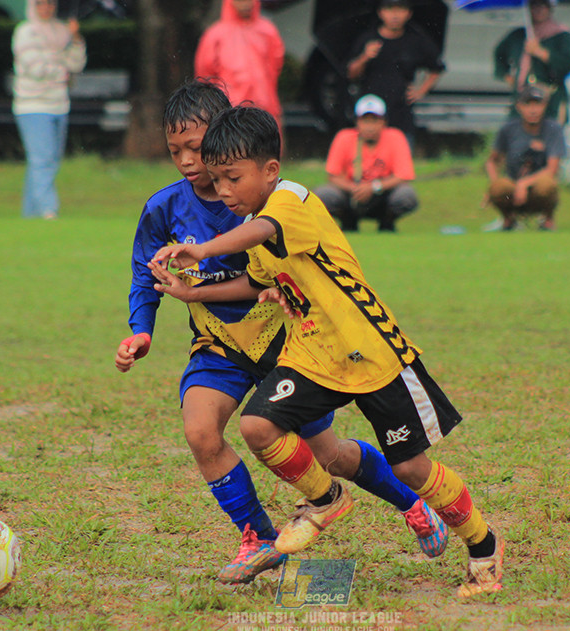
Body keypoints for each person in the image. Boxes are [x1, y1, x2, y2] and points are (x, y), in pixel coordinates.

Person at [150, 105, 504, 599]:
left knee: (411, 468)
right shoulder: (253, 221)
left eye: (233, 177)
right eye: (217, 179)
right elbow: (254, 280)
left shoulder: (290, 200)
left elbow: (263, 231)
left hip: (369, 349)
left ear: (270, 169)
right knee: (258, 426)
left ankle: (484, 546)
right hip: (312, 353)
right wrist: (194, 293)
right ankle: (326, 498)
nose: (223, 189)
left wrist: (204, 250)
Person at [12, 0, 87, 220]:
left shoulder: (62, 31)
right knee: (41, 159)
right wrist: (62, 67)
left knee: (50, 160)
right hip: (32, 104)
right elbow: (36, 68)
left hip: (59, 104)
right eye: (41, 3)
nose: (46, 7)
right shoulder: (25, 31)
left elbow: (77, 63)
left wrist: (75, 38)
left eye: (50, 3)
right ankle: (48, 209)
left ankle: (30, 213)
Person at [346, 0, 445, 148]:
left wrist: (421, 90)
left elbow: (437, 68)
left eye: (400, 9)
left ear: (409, 13)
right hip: (372, 110)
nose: (395, 15)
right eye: (390, 9)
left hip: (401, 110)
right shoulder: (368, 39)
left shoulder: (416, 40)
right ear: (380, 13)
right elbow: (351, 74)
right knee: (370, 156)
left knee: (401, 152)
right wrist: (365, 57)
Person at [313, 94, 418, 233]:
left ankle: (387, 223)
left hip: (382, 194)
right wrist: (355, 189)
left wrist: (374, 187)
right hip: (351, 194)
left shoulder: (395, 137)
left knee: (406, 195)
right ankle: (348, 221)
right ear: (357, 122)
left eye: (375, 121)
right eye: (365, 121)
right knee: (323, 194)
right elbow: (333, 176)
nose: (370, 127)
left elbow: (403, 176)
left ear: (384, 122)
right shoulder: (344, 137)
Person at [194, 0, 285, 133]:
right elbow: (205, 78)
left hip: (264, 110)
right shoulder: (215, 35)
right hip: (229, 115)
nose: (246, 3)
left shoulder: (268, 31)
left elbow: (275, 68)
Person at [484, 85, 564, 232]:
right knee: (499, 188)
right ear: (519, 107)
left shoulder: (553, 129)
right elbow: (492, 161)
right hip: (513, 187)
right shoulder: (508, 129)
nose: (533, 110)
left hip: (537, 188)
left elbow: (552, 168)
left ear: (544, 106)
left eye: (537, 105)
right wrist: (494, 183)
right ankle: (508, 219)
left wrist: (524, 184)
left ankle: (547, 219)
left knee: (547, 184)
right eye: (528, 105)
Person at [493, 0, 570, 125]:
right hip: (523, 97)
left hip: (550, 100)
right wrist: (507, 76)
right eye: (534, 6)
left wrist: (541, 52)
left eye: (543, 6)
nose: (538, 10)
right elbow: (499, 53)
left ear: (549, 8)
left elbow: (568, 63)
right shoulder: (519, 35)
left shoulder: (561, 35)